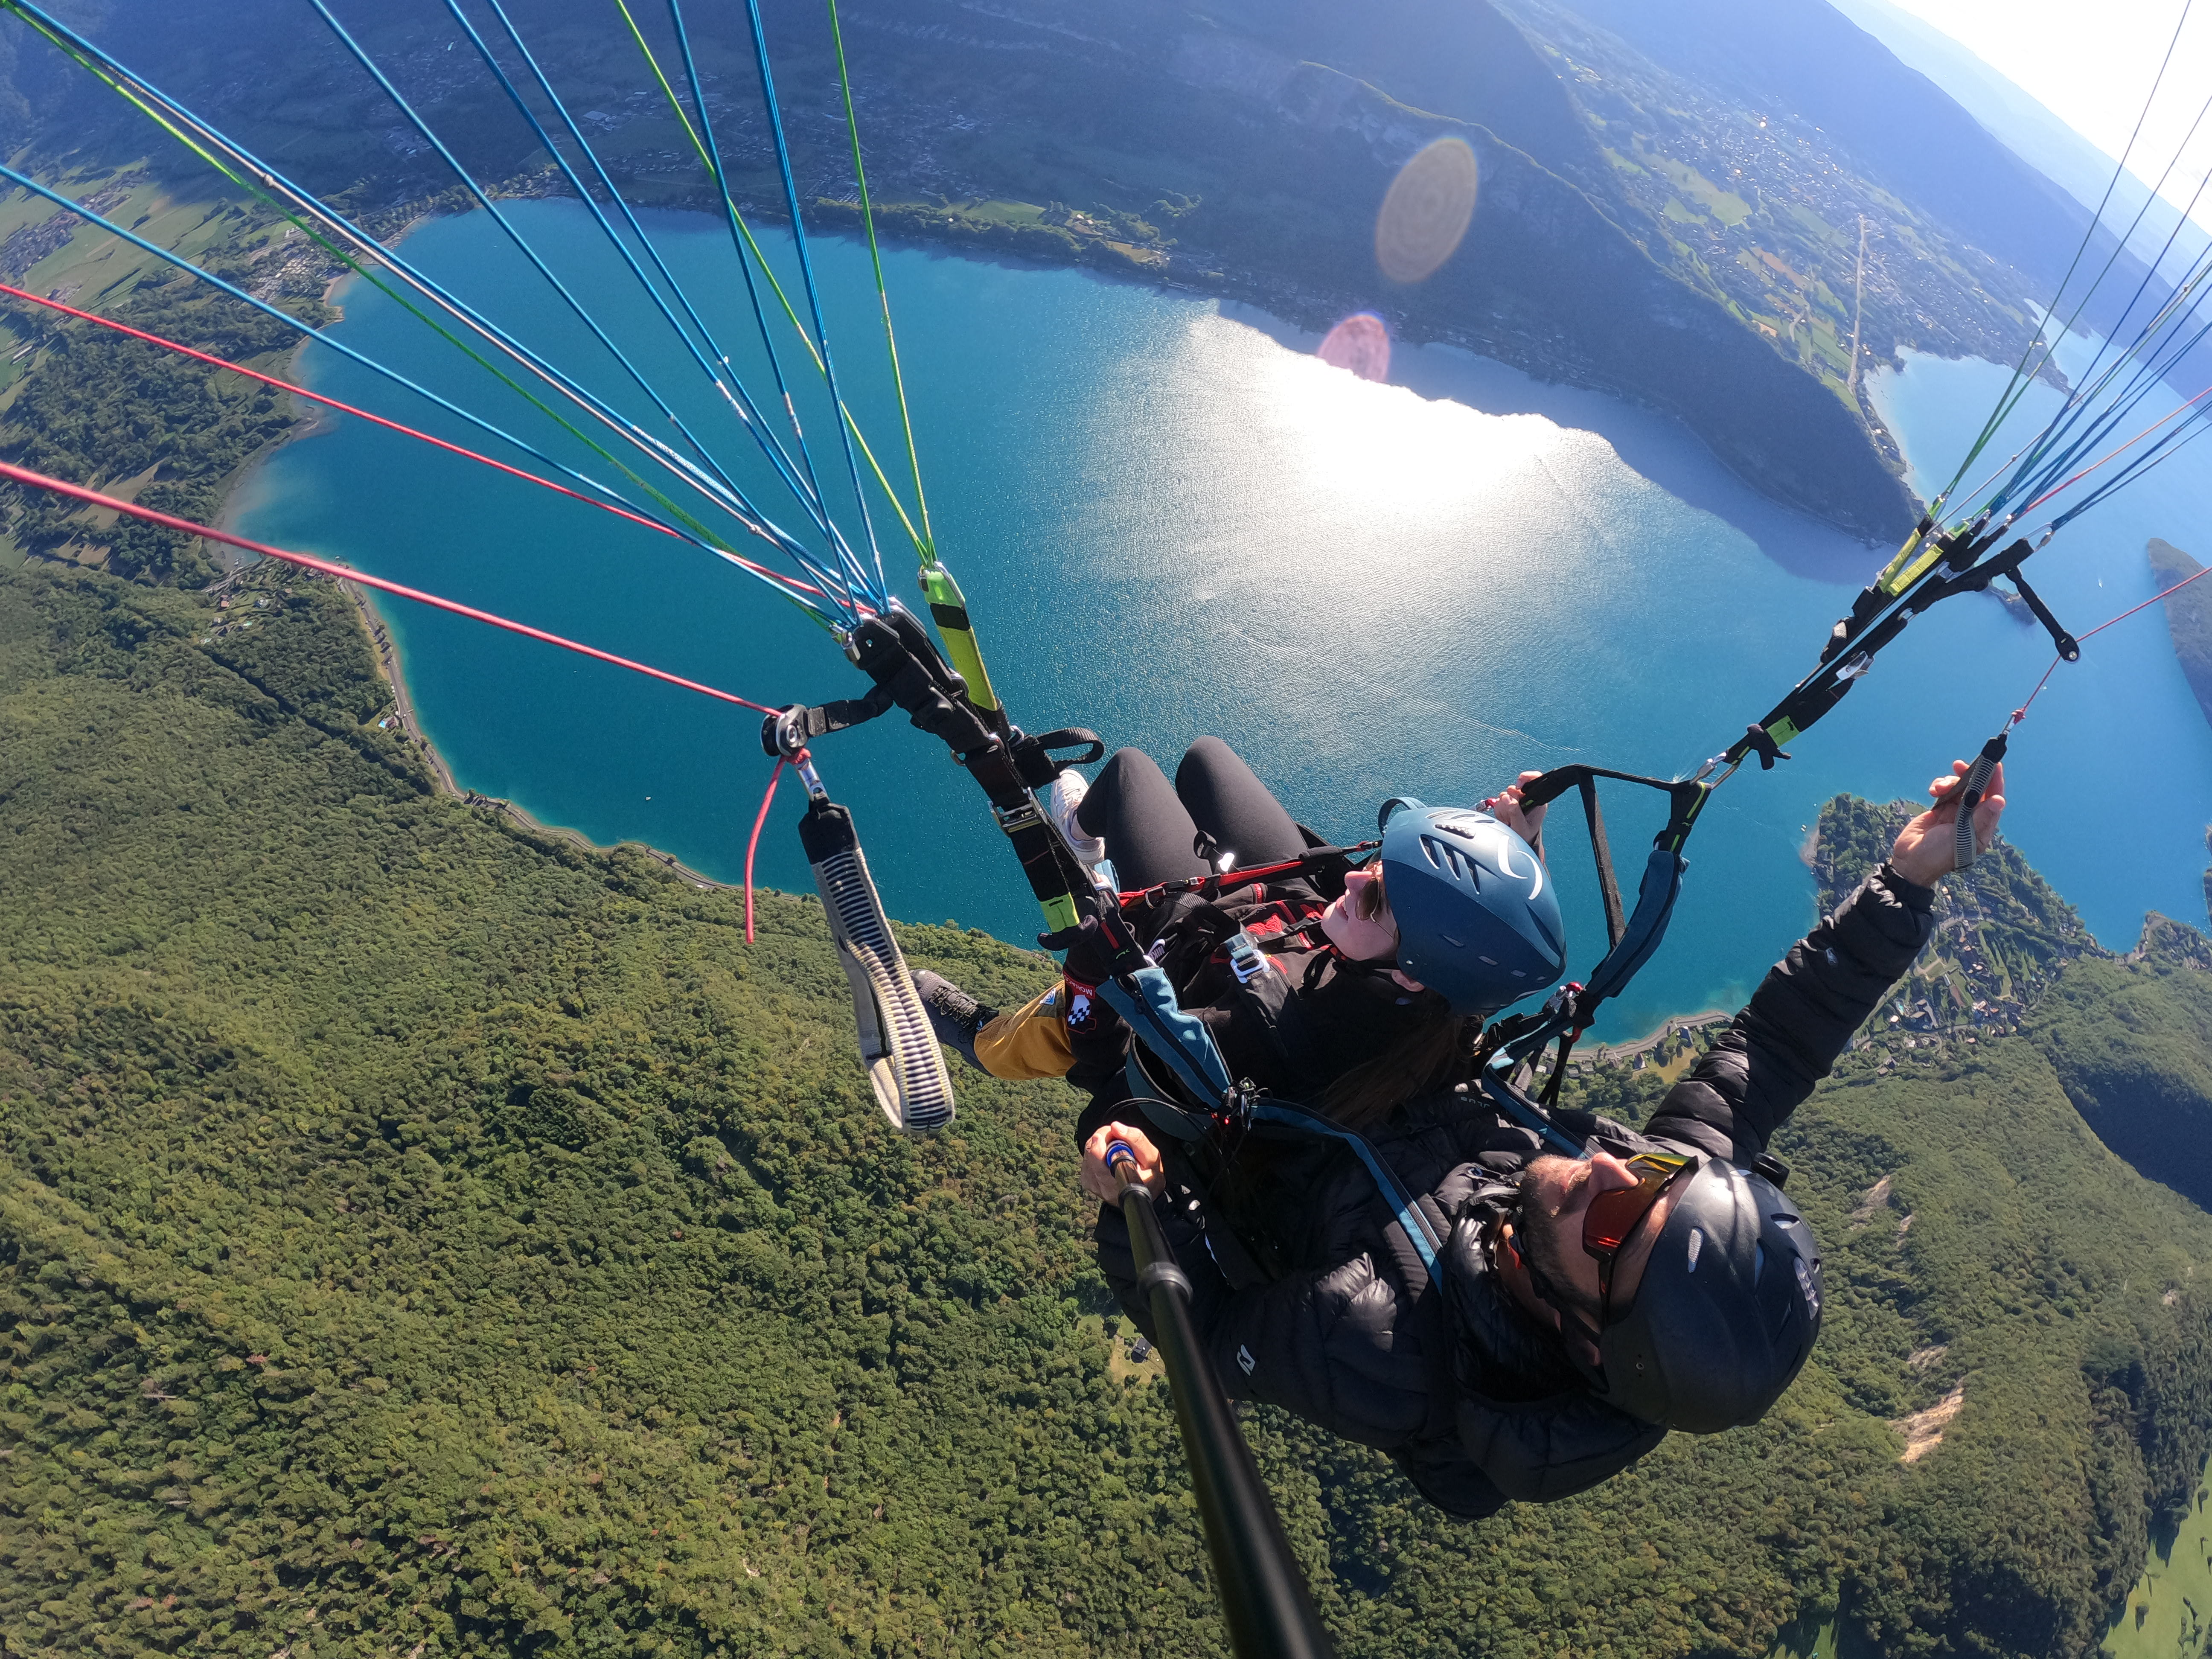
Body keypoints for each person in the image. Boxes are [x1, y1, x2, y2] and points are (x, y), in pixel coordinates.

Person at [1075, 755, 2003, 1516]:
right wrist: (1905, 882)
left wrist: (1136, 1201)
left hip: (1261, 1106)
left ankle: (1083, 846)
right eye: (1657, 1172)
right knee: (1206, 766)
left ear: (1589, 1342)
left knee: (1132, 781)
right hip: (1382, 1036)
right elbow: (1778, 1047)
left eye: (1616, 1226)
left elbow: (1205, 1333)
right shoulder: (1646, 1210)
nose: (1604, 1164)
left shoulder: (1383, 1349)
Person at [915, 736, 1563, 1126]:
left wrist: (1092, 970)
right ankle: (1084, 833)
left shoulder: (1262, 1034)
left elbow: (1111, 1071)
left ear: (1413, 975)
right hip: (1285, 914)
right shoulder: (1449, 999)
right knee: (1207, 759)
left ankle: (984, 1041)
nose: (1355, 880)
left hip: (1202, 950)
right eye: (1377, 866)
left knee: (1131, 771)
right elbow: (1485, 952)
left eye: (1377, 898)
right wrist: (1514, 849)